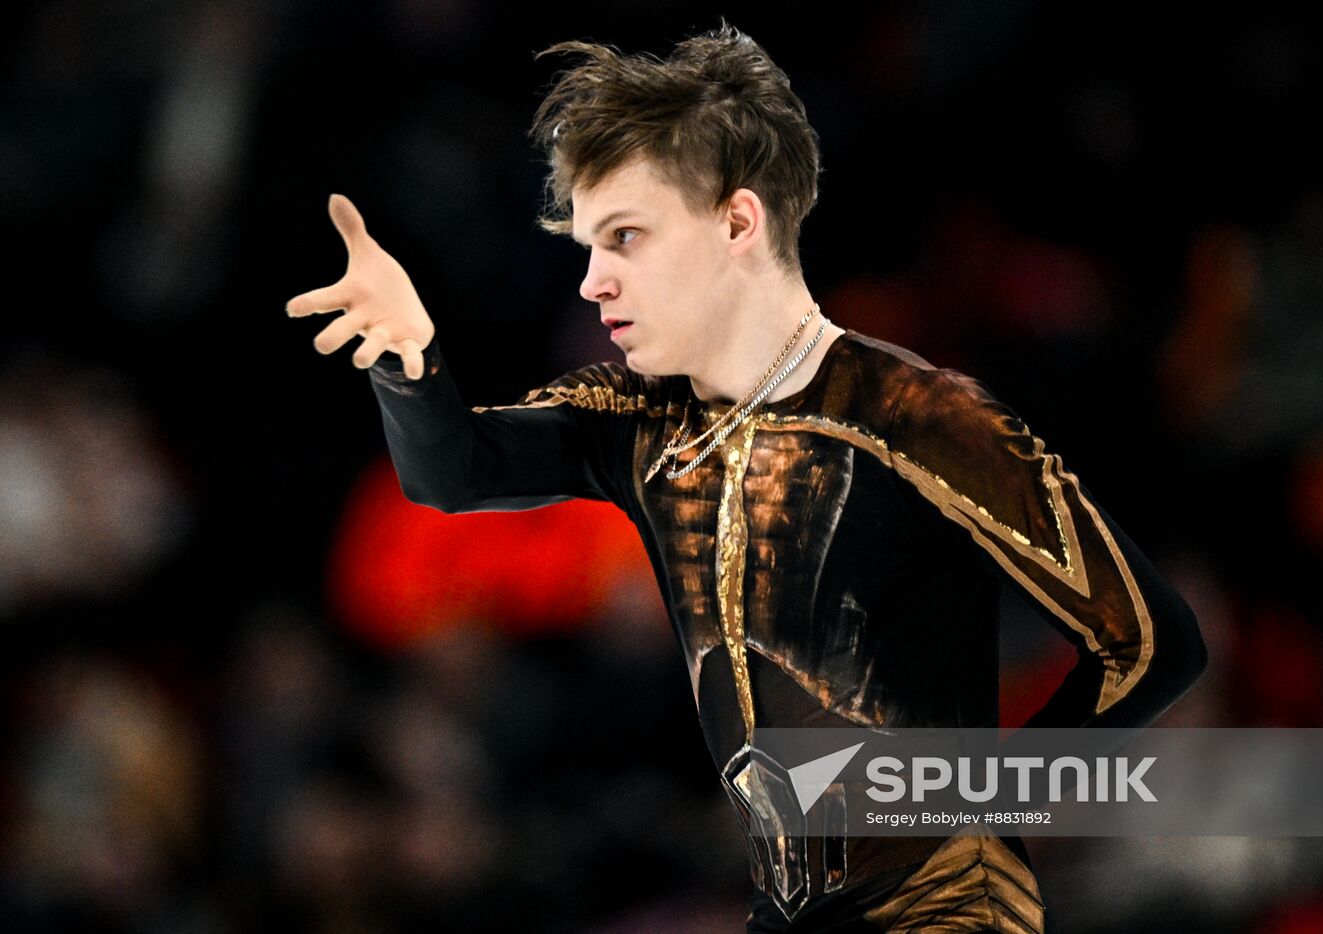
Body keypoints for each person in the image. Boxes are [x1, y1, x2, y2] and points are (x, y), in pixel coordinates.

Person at [286, 19, 1208, 933]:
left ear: (736, 221)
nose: (593, 282)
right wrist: (406, 358)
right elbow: (456, 471)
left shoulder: (917, 416)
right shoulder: (638, 421)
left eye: (626, 238)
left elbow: (1151, 645)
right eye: (589, 247)